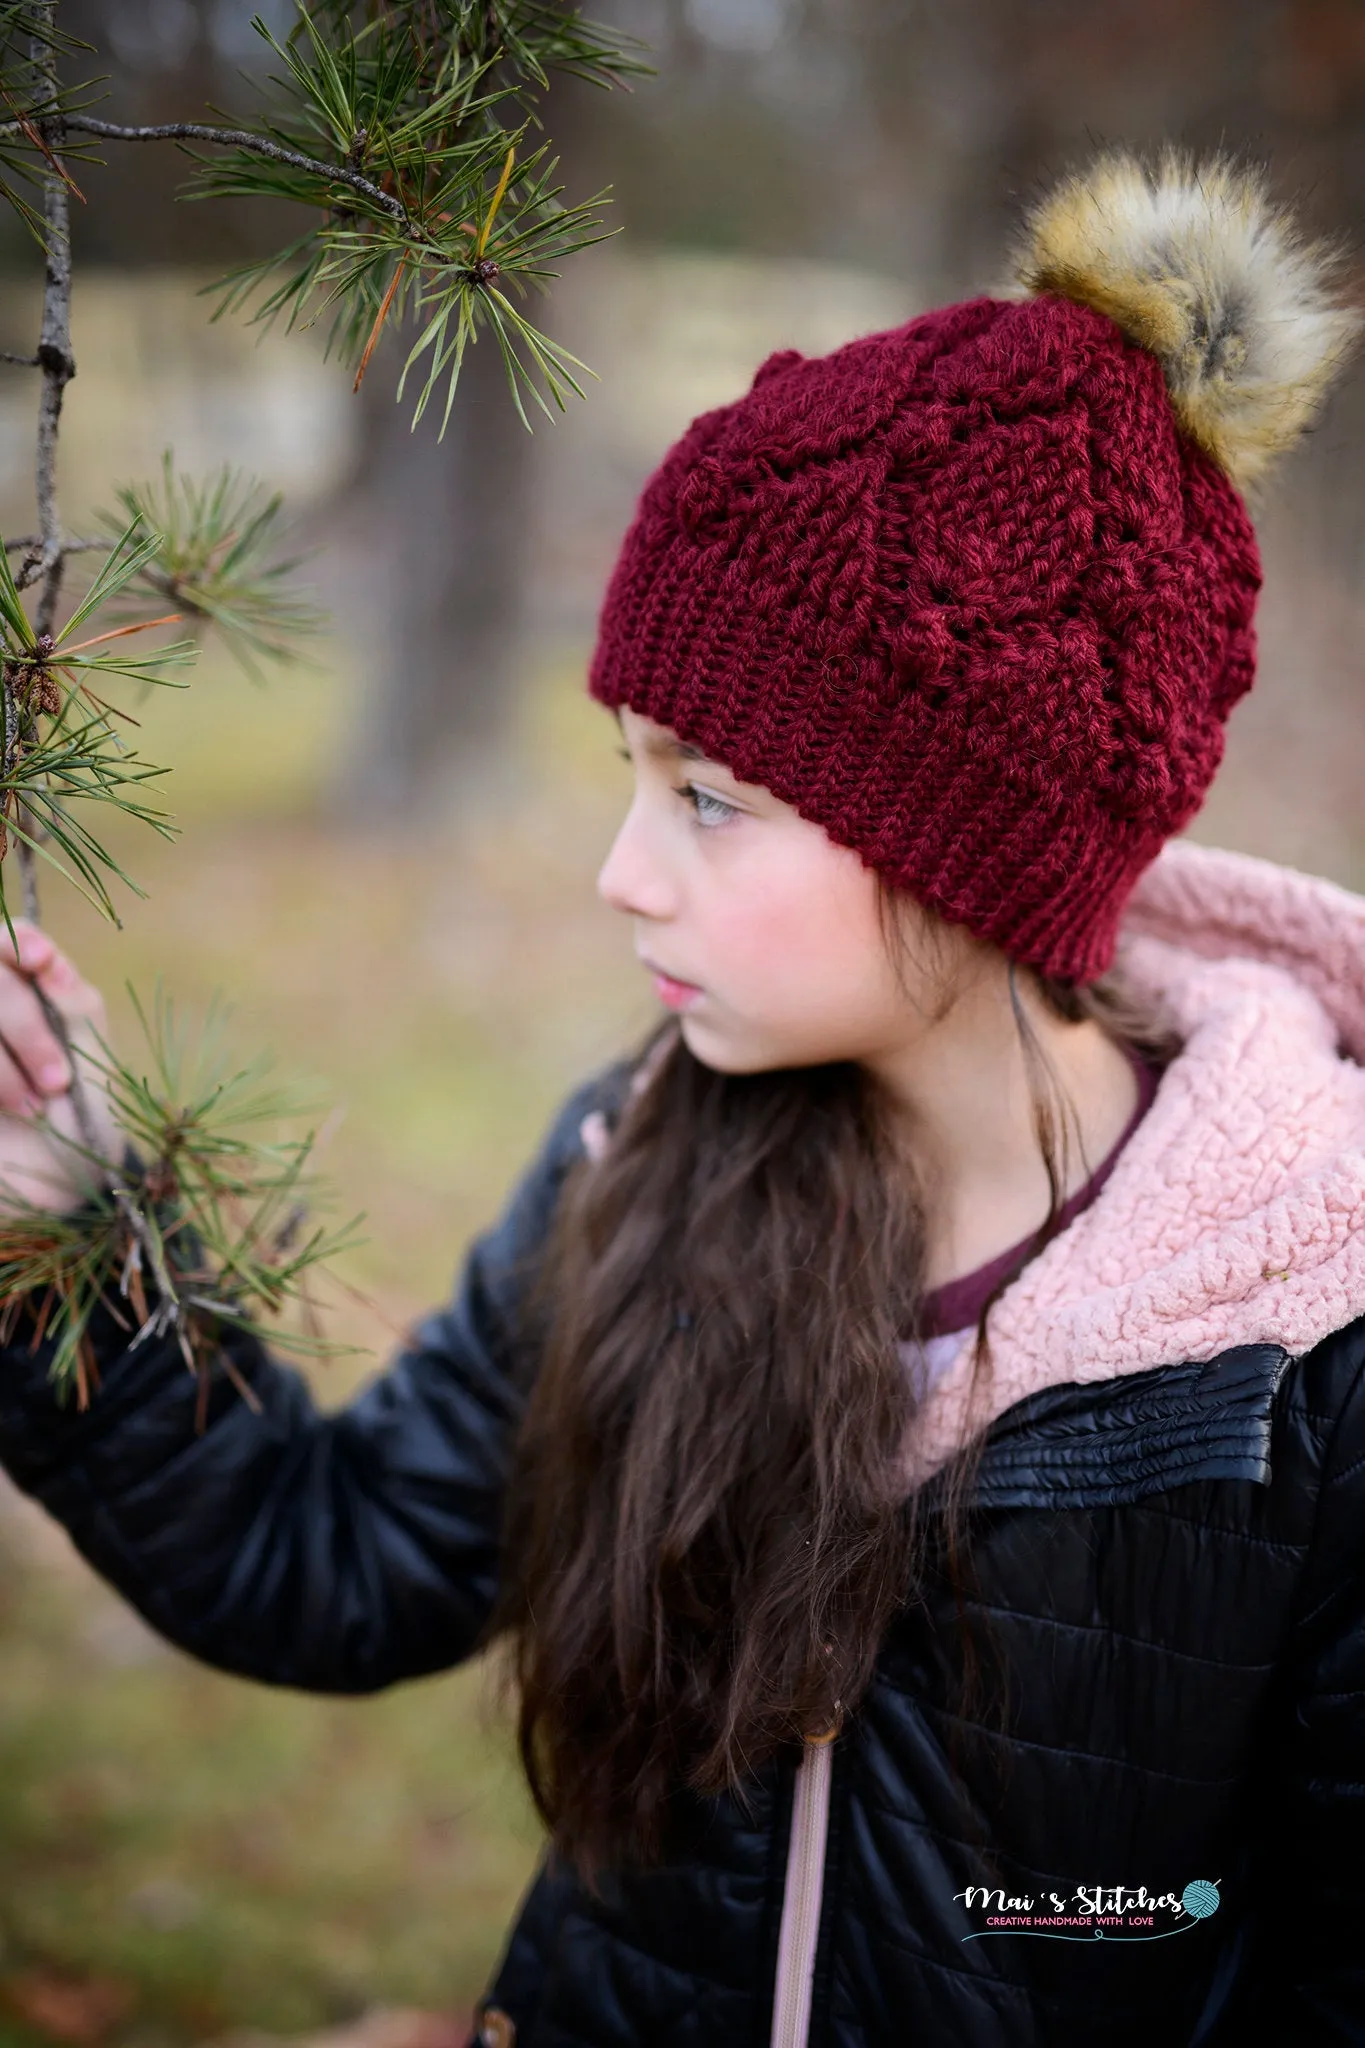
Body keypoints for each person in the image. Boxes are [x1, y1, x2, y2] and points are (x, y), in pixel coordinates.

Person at [0, 143, 1362, 2048]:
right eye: (635, 774)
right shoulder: (646, 1160)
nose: (626, 872)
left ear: (969, 838)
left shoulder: (1304, 1365)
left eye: (713, 798)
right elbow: (336, 1560)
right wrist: (59, 1216)